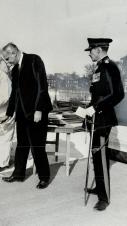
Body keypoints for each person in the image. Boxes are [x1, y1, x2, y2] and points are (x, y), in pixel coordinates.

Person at [0, 42, 53, 189]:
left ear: (14, 53)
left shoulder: (34, 60)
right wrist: (9, 113)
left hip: (37, 112)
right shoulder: (15, 69)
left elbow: (42, 86)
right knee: (22, 145)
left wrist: (39, 110)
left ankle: (44, 177)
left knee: (37, 146)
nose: (7, 62)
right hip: (22, 113)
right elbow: (15, 93)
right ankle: (18, 174)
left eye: (7, 58)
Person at [84, 38, 124, 211]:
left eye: (91, 50)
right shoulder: (99, 67)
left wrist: (97, 108)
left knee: (100, 157)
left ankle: (104, 197)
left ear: (99, 50)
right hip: (97, 119)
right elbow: (98, 95)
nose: (89, 53)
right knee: (96, 156)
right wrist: (88, 109)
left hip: (104, 119)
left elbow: (118, 94)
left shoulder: (110, 67)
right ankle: (99, 188)